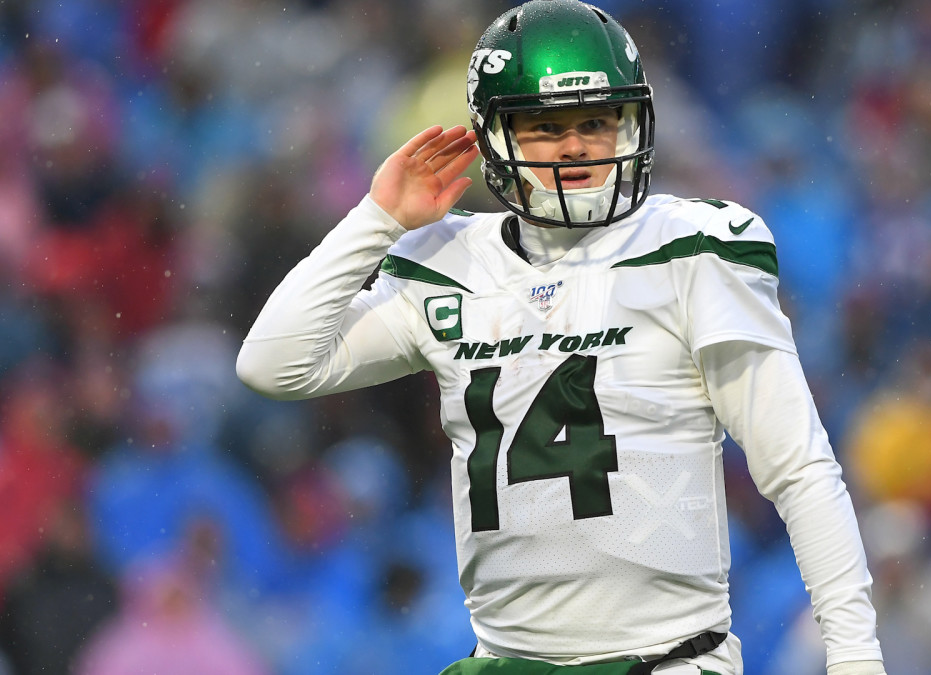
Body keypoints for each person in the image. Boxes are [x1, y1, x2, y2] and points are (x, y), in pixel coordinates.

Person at [236, 1, 885, 673]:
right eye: (546, 127)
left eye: (595, 121)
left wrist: (855, 656)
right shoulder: (446, 261)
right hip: (507, 661)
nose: (574, 145)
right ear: (495, 138)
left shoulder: (693, 250)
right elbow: (274, 362)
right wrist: (375, 219)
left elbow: (799, 468)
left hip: (664, 660)